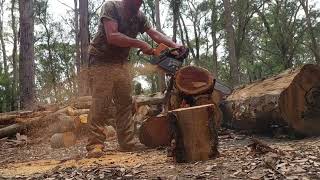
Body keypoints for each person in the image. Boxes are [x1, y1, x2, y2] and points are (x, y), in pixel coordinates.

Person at [86, 0, 182, 158]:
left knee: (124, 101)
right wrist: (140, 43)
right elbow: (112, 36)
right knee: (101, 100)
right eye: (135, 3)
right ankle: (95, 144)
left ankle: (127, 142)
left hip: (121, 61)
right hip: (101, 59)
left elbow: (153, 33)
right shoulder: (111, 7)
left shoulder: (139, 16)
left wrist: (174, 45)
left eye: (140, 3)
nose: (138, 6)